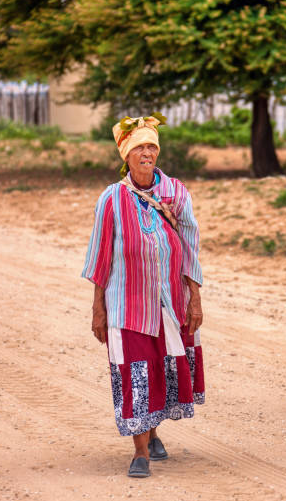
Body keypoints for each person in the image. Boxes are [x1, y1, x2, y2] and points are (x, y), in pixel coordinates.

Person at [82, 113, 204, 478]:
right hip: (125, 304)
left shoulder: (176, 193)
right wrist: (98, 309)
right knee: (134, 370)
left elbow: (191, 246)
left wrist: (194, 298)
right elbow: (101, 256)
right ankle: (140, 452)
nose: (146, 153)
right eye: (139, 148)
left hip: (168, 301)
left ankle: (153, 434)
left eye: (151, 146)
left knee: (162, 368)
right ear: (127, 156)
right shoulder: (112, 199)